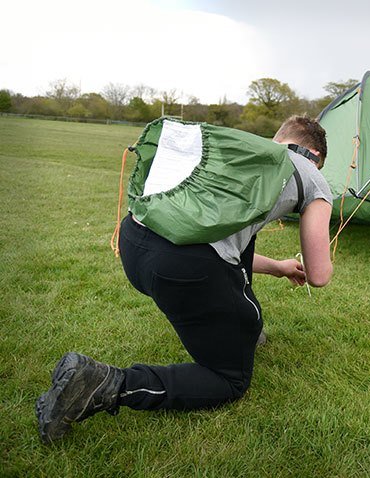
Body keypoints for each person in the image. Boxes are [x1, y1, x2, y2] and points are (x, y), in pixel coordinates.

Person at [35, 115, 333, 444]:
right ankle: (103, 383)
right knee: (228, 380)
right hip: (183, 269)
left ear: (278, 139)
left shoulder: (239, 152)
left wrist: (278, 266)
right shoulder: (311, 175)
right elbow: (318, 275)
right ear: (314, 156)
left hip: (134, 244)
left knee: (235, 273)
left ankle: (243, 330)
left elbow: (225, 242)